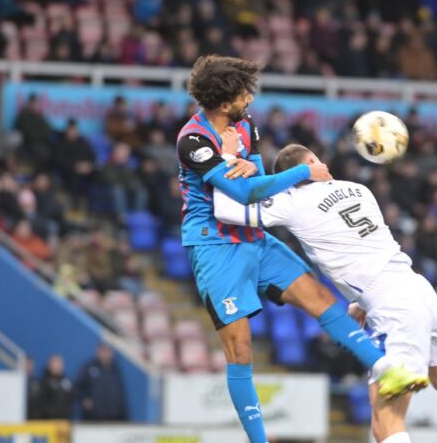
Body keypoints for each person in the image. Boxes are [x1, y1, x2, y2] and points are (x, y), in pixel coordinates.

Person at [177, 56, 422, 443]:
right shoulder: (192, 140)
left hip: (254, 238)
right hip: (214, 245)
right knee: (240, 349)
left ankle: (386, 367)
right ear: (224, 103)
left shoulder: (245, 124)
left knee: (320, 297)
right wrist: (303, 172)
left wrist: (244, 168)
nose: (249, 99)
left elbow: (257, 181)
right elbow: (244, 191)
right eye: (244, 94)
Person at [213, 143, 437, 443]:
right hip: (418, 289)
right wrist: (361, 301)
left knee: (386, 421)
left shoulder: (292, 201)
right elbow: (360, 247)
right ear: (312, 163)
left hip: (393, 307)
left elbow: (225, 211)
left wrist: (223, 161)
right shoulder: (358, 189)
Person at [75, 344, 127, 421]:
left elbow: (121, 394)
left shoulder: (115, 370)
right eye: (103, 351)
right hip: (94, 417)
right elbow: (76, 387)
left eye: (108, 351)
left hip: (114, 417)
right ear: (98, 352)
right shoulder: (89, 367)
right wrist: (84, 399)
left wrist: (124, 415)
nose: (105, 354)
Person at [38, 354, 74, 419]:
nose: (57, 366)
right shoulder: (43, 383)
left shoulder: (67, 382)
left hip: (64, 421)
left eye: (59, 364)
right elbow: (41, 402)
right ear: (49, 365)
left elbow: (71, 399)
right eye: (55, 363)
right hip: (48, 421)